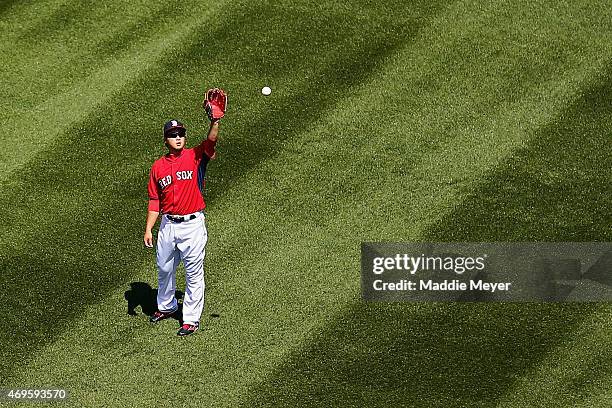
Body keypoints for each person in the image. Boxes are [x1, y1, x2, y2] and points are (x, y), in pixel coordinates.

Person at [144, 89, 226, 336]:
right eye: (173, 135)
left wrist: (215, 121)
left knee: (193, 272)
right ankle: (167, 306)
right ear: (166, 140)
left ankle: (190, 318)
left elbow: (211, 142)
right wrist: (149, 228)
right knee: (164, 268)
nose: (178, 137)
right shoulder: (158, 167)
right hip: (168, 225)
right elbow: (154, 200)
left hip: (192, 226)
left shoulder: (195, 156)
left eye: (181, 134)